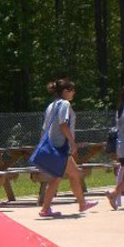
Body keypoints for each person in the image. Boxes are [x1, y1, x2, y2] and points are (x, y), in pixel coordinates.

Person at [37, 78, 98, 218]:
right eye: (72, 90)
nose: (74, 93)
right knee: (70, 174)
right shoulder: (64, 104)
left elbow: (44, 127)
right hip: (60, 146)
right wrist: (72, 141)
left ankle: (49, 208)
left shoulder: (51, 105)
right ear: (65, 91)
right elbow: (63, 124)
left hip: (52, 146)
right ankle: (80, 204)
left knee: (60, 176)